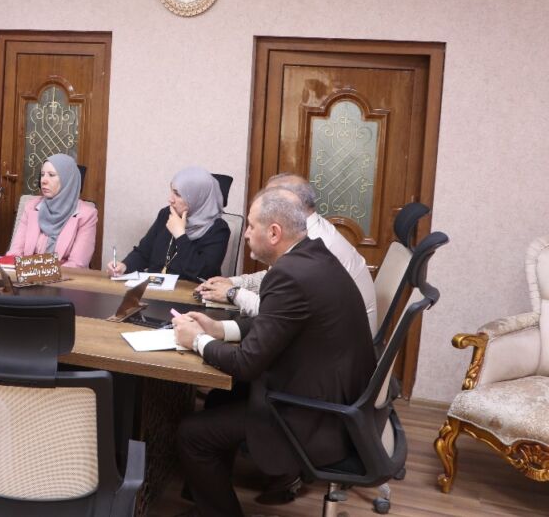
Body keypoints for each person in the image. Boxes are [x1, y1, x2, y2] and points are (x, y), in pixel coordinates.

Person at [171, 188, 376, 517]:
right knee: (220, 399)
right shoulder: (315, 256)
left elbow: (246, 364)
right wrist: (219, 329)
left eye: (252, 226)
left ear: (274, 232)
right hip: (336, 401)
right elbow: (277, 324)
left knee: (191, 434)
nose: (246, 233)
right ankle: (207, 502)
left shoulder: (289, 275)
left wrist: (197, 341)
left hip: (313, 417)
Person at [197, 173, 378, 336]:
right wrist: (234, 282)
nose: (263, 204)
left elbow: (277, 312)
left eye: (270, 199)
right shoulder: (306, 229)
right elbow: (275, 278)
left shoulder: (316, 241)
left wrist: (232, 293)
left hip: (337, 344)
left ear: (291, 203)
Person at [107, 167, 230, 282]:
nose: (170, 199)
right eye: (172, 191)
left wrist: (180, 235)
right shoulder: (166, 214)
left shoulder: (218, 229)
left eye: (178, 194)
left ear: (197, 198)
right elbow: (143, 253)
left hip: (187, 294)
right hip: (153, 290)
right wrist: (124, 266)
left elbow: (203, 273)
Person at [6, 153, 97, 268]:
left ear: (67, 180)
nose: (43, 180)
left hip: (64, 277)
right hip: (24, 273)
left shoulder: (87, 214)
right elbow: (15, 253)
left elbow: (77, 264)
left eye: (51, 175)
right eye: (42, 174)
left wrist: (35, 272)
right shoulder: (31, 206)